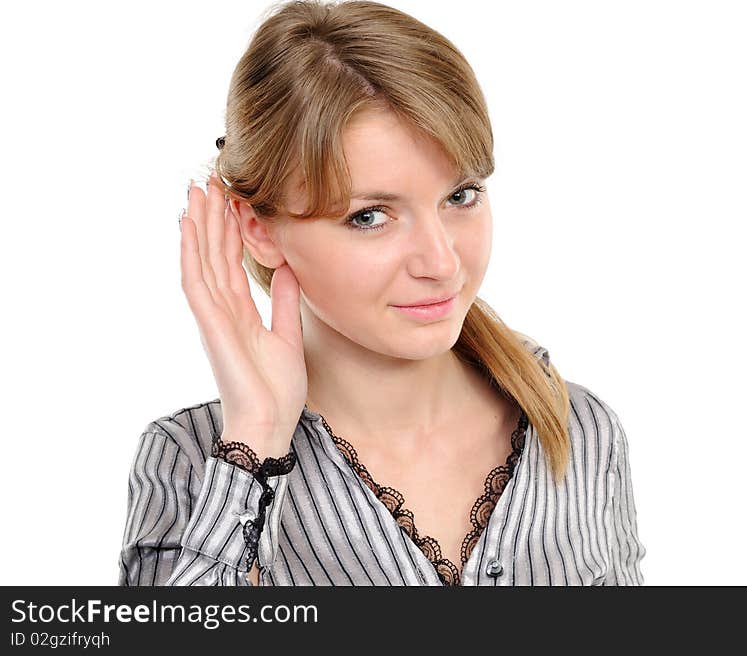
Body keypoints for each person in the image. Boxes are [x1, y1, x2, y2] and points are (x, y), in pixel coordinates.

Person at [117, 0, 646, 587]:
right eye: (370, 216)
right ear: (258, 230)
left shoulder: (580, 433)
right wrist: (257, 442)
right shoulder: (190, 463)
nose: (441, 263)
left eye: (461, 196)